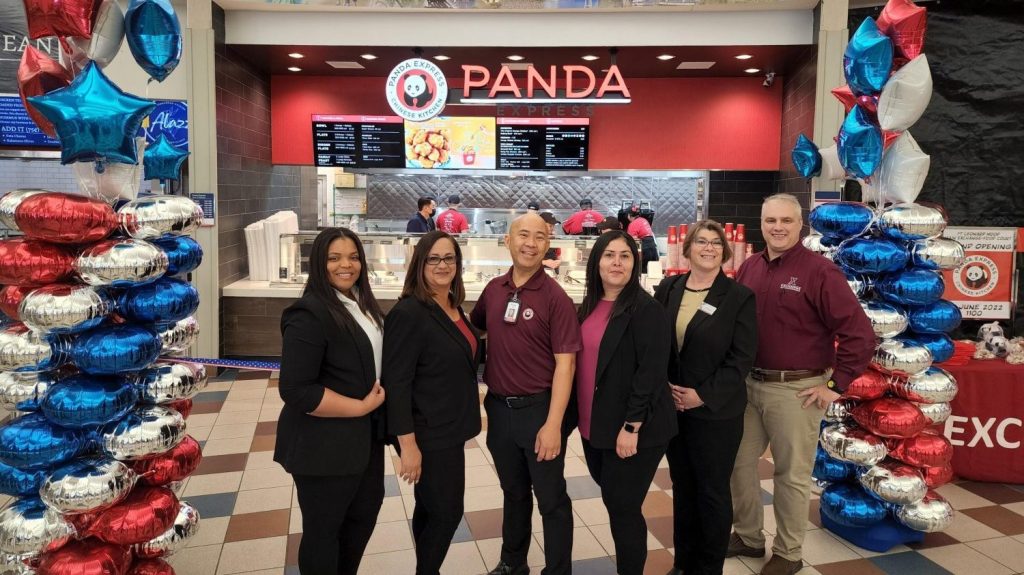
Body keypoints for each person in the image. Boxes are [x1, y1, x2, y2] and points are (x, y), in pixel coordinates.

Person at [729, 194, 874, 575]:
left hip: (797, 391)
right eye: (770, 220)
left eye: (786, 221)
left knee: (790, 475)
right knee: (738, 465)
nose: (778, 227)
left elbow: (859, 334)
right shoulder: (748, 268)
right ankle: (748, 535)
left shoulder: (819, 272)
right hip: (747, 386)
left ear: (800, 225)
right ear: (761, 223)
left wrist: (835, 385)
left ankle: (789, 553)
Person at [470, 212, 581, 575]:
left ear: (548, 245)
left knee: (551, 500)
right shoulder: (494, 290)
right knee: (513, 492)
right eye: (523, 235)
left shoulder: (555, 298)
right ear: (507, 240)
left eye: (538, 237)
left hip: (540, 412)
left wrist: (554, 425)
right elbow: (478, 332)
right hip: (500, 411)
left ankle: (557, 570)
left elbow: (566, 365)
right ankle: (513, 562)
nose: (530, 243)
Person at [274, 227, 387, 575]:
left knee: (362, 517)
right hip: (322, 447)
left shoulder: (359, 302)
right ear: (318, 263)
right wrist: (361, 407)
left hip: (362, 442)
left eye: (353, 257)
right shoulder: (309, 313)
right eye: (334, 258)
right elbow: (296, 389)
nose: (346, 265)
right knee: (324, 534)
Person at [653, 220, 757, 575]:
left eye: (716, 242)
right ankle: (683, 564)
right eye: (701, 241)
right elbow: (655, 345)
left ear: (725, 251)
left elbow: (741, 358)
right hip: (673, 409)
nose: (709, 247)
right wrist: (662, 386)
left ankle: (708, 568)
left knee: (712, 491)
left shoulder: (739, 296)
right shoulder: (668, 288)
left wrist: (702, 395)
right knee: (683, 488)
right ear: (688, 248)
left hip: (716, 413)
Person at [576, 230, 677, 575]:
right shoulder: (589, 304)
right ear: (597, 261)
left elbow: (649, 374)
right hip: (596, 425)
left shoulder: (646, 309)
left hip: (635, 428)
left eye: (625, 256)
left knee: (622, 506)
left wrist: (632, 425)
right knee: (615, 499)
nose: (616, 262)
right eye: (609, 255)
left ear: (635, 264)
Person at [382, 230, 482, 575]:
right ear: (420, 264)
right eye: (434, 259)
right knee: (448, 512)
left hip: (449, 428)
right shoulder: (409, 313)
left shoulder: (452, 305)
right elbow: (396, 383)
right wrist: (407, 446)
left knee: (428, 507)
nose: (443, 265)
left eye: (449, 258)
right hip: (427, 431)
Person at [626, 206, 659, 274]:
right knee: (653, 272)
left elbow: (634, 241)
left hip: (645, 249)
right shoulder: (644, 220)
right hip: (653, 248)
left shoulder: (632, 224)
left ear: (629, 215)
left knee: (643, 272)